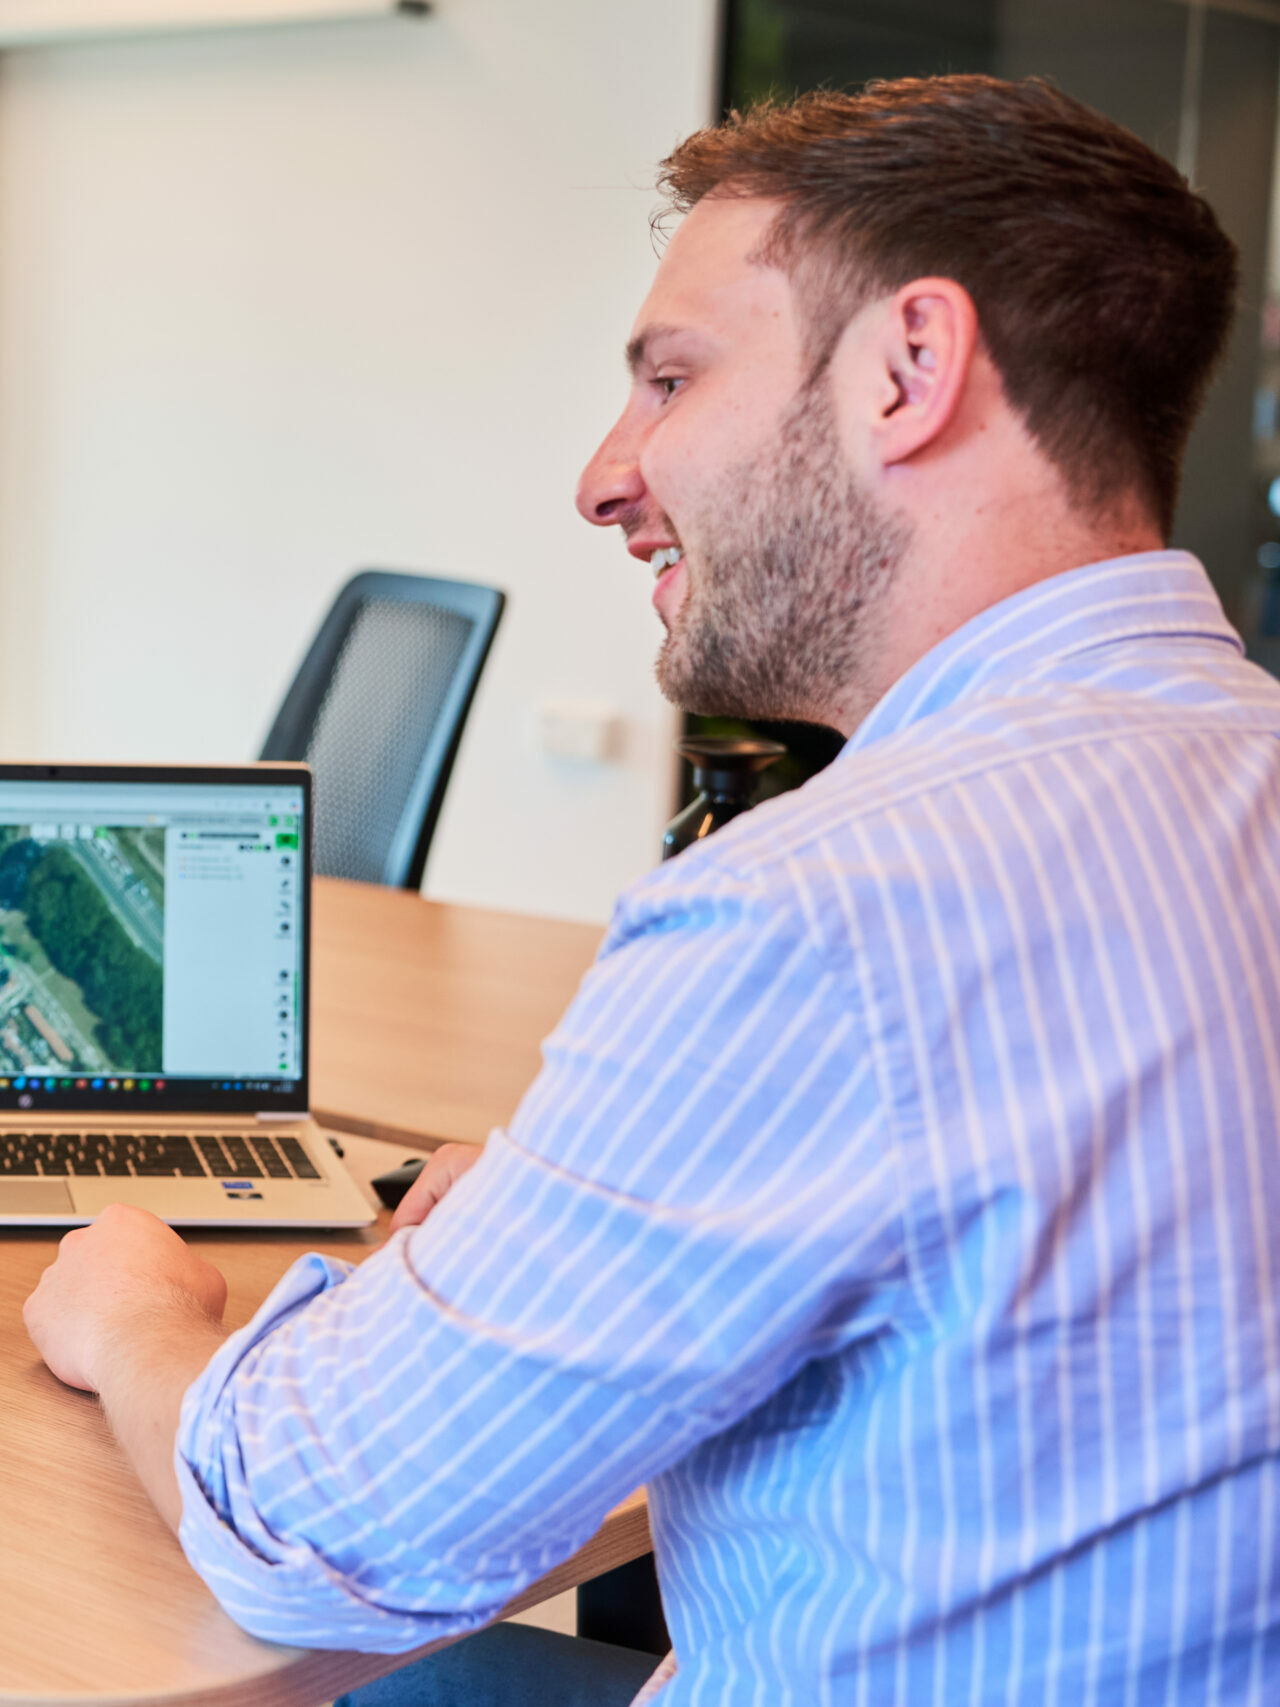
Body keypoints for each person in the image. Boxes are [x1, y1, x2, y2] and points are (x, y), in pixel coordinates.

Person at [23, 73, 1279, 1704]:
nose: (607, 478)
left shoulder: (824, 906)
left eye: (672, 379)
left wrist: (130, 1309)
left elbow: (319, 1533)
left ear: (911, 369)